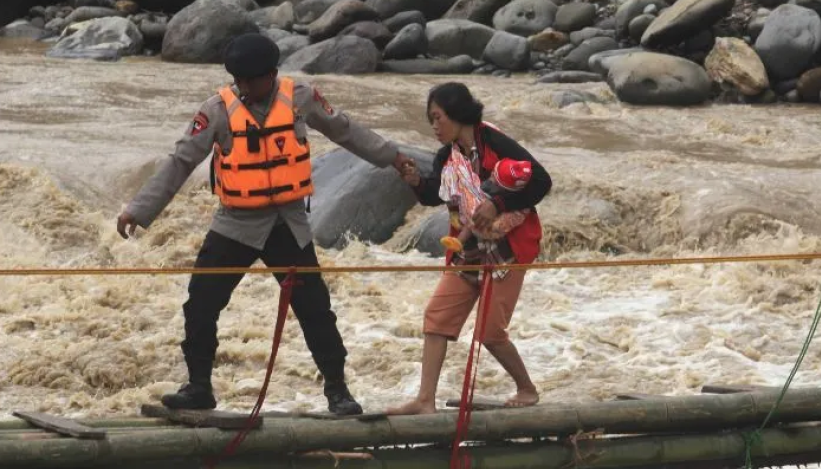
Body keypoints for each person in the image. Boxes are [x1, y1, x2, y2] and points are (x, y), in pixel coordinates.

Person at [115, 33, 413, 415]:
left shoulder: (301, 97)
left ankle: (338, 391)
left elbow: (346, 130)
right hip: (234, 223)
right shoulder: (217, 110)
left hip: (287, 224)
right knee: (200, 306)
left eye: (251, 80)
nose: (243, 88)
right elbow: (181, 160)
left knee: (315, 309)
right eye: (237, 80)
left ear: (272, 74)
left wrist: (394, 157)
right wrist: (138, 210)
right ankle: (199, 388)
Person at [387, 82, 552, 415]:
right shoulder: (447, 155)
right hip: (469, 246)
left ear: (458, 114)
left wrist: (498, 202)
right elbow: (436, 194)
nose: (434, 126)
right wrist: (417, 182)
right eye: (430, 120)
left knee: (490, 332)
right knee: (437, 317)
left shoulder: (493, 140)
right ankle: (424, 401)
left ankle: (527, 389)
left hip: (508, 245)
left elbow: (540, 180)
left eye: (438, 118)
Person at [439, 157, 534, 253]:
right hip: (494, 219)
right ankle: (460, 234)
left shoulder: (519, 208)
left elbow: (501, 224)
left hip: (495, 228)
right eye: (492, 175)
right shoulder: (515, 181)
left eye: (495, 182)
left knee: (475, 218)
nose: (491, 180)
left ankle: (459, 240)